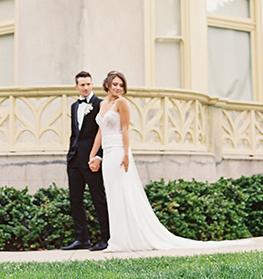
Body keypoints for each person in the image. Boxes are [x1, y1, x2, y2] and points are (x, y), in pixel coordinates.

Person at [89, 71, 250, 253]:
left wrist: (126, 155)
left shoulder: (122, 103)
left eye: (121, 85)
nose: (118, 88)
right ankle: (117, 239)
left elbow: (125, 129)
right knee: (112, 195)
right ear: (107, 85)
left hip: (119, 151)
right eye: (115, 84)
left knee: (124, 193)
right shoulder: (102, 104)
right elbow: (100, 132)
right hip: (108, 154)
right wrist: (93, 155)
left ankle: (125, 241)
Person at [61, 71, 110, 251]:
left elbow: (105, 131)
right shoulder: (74, 106)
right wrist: (70, 154)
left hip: (91, 159)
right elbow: (76, 133)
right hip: (74, 159)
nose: (86, 87)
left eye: (88, 84)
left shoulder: (100, 104)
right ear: (77, 87)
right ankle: (81, 239)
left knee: (98, 198)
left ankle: (105, 238)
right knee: (75, 199)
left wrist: (99, 156)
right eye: (82, 85)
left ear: (92, 84)